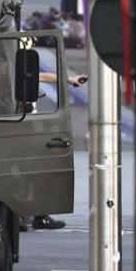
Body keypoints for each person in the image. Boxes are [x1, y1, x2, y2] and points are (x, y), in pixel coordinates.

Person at [28, 71, 87, 230]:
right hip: (26, 125)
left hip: (27, 124)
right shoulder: (15, 65)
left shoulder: (16, 65)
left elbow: (40, 76)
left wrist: (68, 79)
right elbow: (40, 76)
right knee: (40, 170)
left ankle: (26, 216)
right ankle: (39, 216)